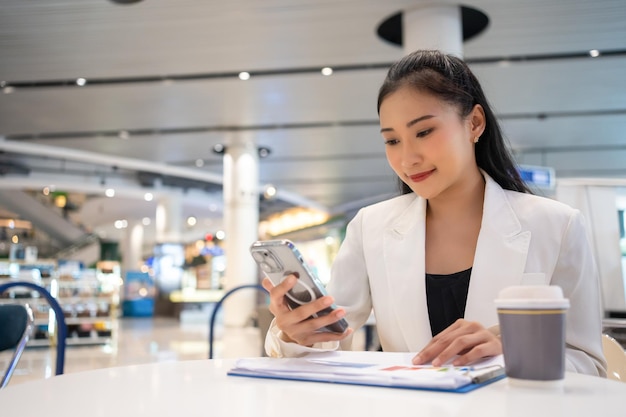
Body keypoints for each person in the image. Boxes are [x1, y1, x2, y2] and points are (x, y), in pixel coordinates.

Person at [262, 49, 607, 376]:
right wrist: (296, 335)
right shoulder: (371, 228)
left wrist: (513, 351)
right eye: (392, 140)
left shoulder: (557, 226)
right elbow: (333, 342)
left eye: (424, 132)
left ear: (474, 123)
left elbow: (588, 363)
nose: (407, 159)